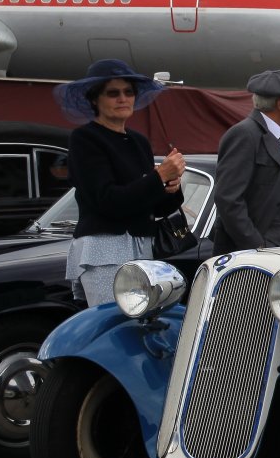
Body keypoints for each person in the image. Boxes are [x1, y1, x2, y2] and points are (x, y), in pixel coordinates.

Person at [54, 59, 184, 307]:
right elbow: (108, 201)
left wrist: (171, 186)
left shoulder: (139, 141)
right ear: (95, 99)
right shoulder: (85, 139)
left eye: (129, 92)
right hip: (104, 247)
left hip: (143, 245)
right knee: (113, 320)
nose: (123, 99)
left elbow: (154, 207)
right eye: (113, 93)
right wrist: (158, 178)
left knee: (142, 322)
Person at [212, 69, 280, 257]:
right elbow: (228, 198)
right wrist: (256, 245)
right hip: (254, 254)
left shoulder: (279, 136)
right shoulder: (244, 134)